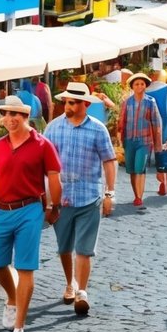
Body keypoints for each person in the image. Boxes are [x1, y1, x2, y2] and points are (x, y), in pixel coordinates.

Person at [0, 95, 62, 332]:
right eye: (6, 114)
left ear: (26, 117)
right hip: (2, 210)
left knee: (25, 267)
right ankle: (11, 298)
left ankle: (19, 326)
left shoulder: (43, 145)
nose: (10, 119)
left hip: (29, 209)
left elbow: (53, 178)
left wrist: (54, 205)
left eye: (15, 115)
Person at [45, 82, 117, 315]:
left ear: (85, 104)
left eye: (73, 102)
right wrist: (44, 195)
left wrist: (109, 193)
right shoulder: (53, 128)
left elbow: (109, 161)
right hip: (62, 197)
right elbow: (43, 163)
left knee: (84, 249)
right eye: (66, 101)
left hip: (89, 197)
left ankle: (82, 292)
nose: (67, 105)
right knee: (64, 246)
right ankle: (70, 283)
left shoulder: (98, 129)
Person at [119, 72, 163, 206]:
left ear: (145, 86)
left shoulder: (150, 102)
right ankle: (135, 194)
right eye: (137, 84)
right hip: (129, 140)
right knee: (132, 170)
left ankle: (139, 197)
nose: (139, 86)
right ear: (132, 86)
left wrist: (157, 144)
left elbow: (156, 123)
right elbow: (122, 122)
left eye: (142, 84)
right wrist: (120, 139)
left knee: (140, 168)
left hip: (144, 141)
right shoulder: (127, 103)